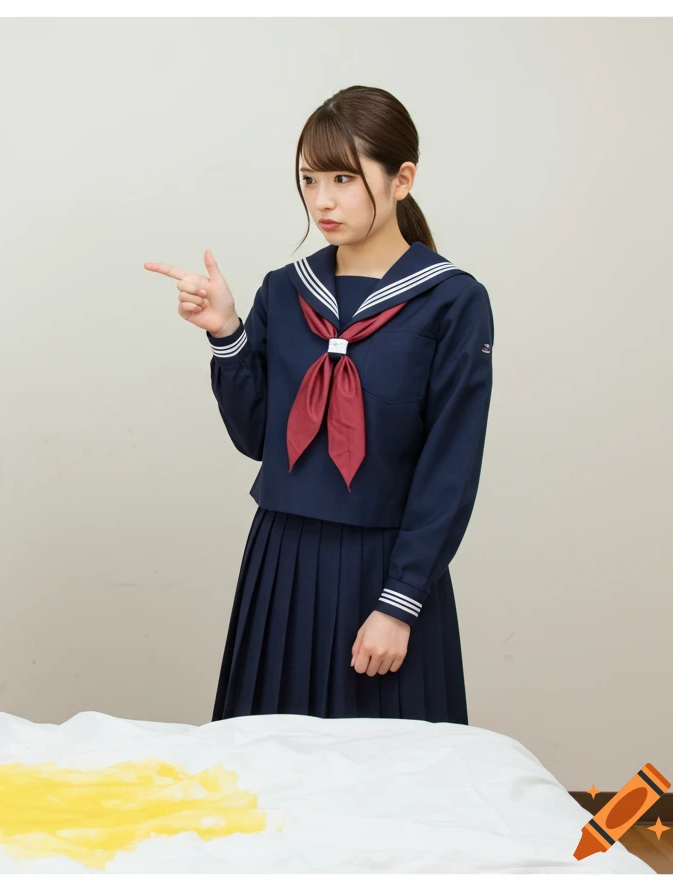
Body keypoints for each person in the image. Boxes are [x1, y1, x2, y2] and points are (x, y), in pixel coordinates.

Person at [145, 86, 492, 723]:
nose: (322, 200)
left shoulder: (452, 302)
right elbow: (258, 438)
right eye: (309, 179)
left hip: (384, 568)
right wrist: (227, 334)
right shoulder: (284, 291)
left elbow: (450, 466)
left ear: (402, 179)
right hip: (282, 561)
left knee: (386, 765)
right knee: (269, 760)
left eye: (343, 178)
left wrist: (400, 603)